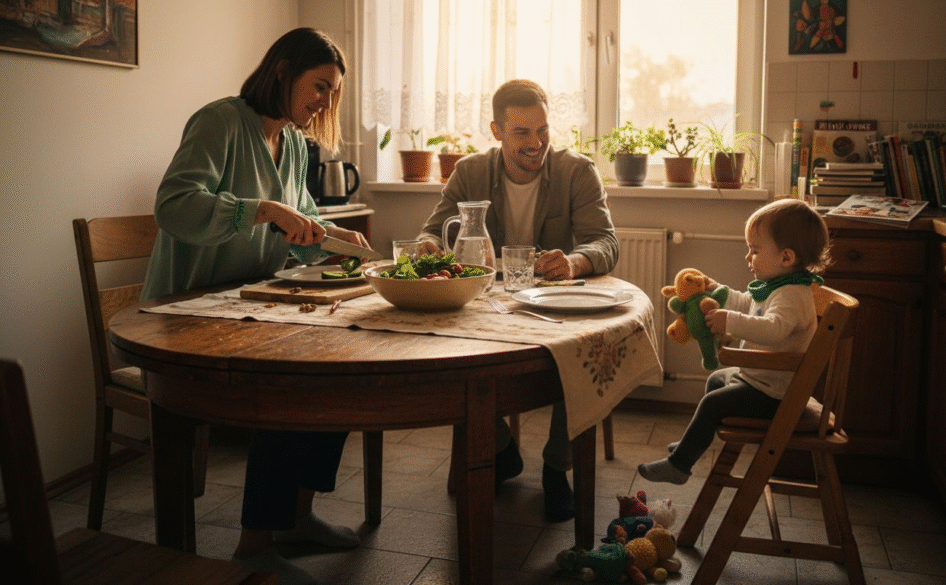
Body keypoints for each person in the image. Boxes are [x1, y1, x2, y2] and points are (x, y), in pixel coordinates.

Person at [141, 28, 369, 585]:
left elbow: (300, 223)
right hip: (186, 315)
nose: (323, 102)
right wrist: (262, 209)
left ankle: (296, 516)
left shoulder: (292, 142)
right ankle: (253, 545)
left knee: (339, 369)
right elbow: (173, 205)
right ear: (282, 71)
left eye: (331, 93)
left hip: (249, 305)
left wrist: (334, 233)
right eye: (319, 86)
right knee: (287, 379)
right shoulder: (220, 121)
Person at [417, 79, 619, 522]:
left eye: (543, 130)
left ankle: (556, 468)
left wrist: (576, 260)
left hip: (553, 305)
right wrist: (430, 246)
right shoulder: (470, 171)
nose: (537, 143)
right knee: (449, 352)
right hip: (487, 303)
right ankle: (502, 450)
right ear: (496, 131)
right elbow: (432, 230)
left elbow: (606, 242)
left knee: (584, 348)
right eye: (522, 133)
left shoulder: (576, 171)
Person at [637, 198, 830, 485]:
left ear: (786, 258)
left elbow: (773, 329)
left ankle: (679, 466)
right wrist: (719, 292)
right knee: (716, 381)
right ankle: (692, 444)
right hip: (759, 380)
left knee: (714, 403)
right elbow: (748, 303)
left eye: (754, 250)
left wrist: (731, 321)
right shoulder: (777, 286)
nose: (748, 257)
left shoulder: (792, 296)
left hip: (777, 395)